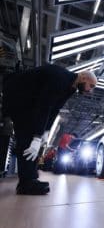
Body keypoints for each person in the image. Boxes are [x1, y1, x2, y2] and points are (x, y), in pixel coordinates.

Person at [1, 64, 97, 195]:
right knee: (28, 137)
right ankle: (26, 183)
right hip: (18, 97)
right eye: (91, 86)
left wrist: (45, 132)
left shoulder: (70, 87)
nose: (90, 90)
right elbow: (44, 105)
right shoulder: (60, 79)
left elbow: (54, 109)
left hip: (28, 102)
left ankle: (30, 178)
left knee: (31, 137)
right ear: (83, 77)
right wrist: (37, 136)